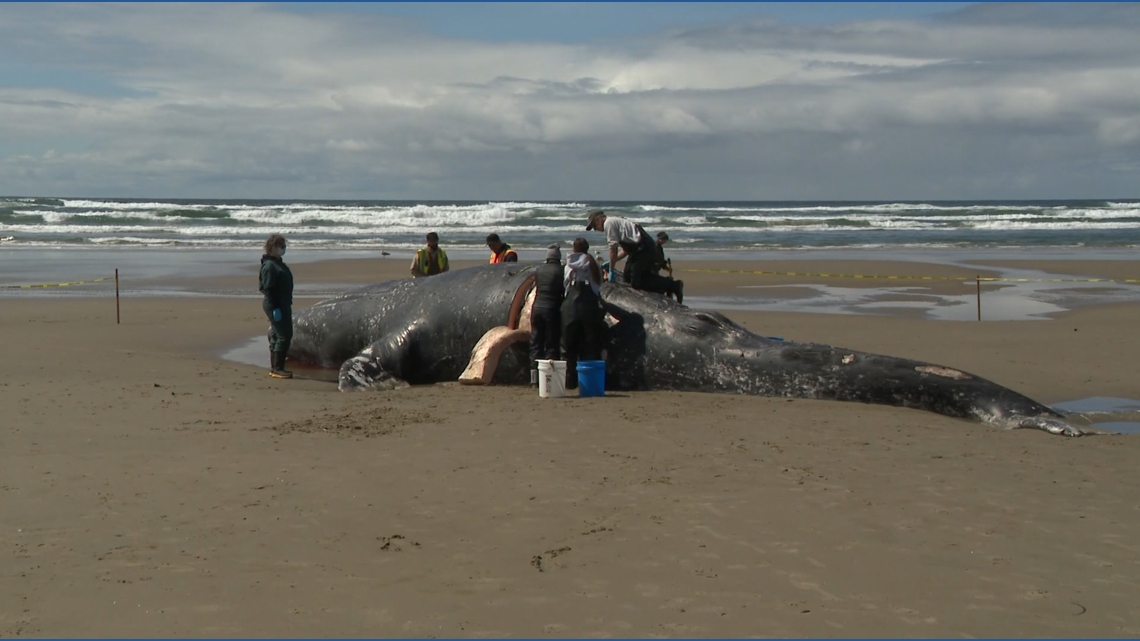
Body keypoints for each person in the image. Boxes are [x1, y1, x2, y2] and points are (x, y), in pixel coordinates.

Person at [585, 209, 682, 303]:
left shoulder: (608, 224)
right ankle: (663, 286)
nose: (595, 229)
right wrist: (612, 261)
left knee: (637, 282)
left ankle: (673, 285)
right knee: (627, 277)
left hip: (645, 249)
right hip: (637, 250)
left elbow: (613, 249)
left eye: (594, 226)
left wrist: (611, 269)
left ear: (599, 220)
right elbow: (625, 250)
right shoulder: (616, 222)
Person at [562, 237, 606, 389]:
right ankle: (589, 380)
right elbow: (598, 285)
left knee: (569, 346)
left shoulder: (569, 264)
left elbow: (566, 284)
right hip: (589, 307)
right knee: (591, 343)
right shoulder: (593, 264)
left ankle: (570, 380)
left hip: (571, 307)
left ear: (574, 249)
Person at [259, 233, 294, 379]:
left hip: (283, 302)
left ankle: (274, 367)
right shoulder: (269, 266)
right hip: (276, 303)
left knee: (277, 334)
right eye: (281, 246)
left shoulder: (278, 263)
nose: (283, 249)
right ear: (273, 248)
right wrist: (275, 308)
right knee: (284, 335)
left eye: (284, 246)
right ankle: (278, 368)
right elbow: (268, 288)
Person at [529, 245, 565, 387]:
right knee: (551, 344)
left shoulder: (540, 270)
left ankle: (533, 379)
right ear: (558, 258)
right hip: (551, 310)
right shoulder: (561, 271)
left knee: (535, 344)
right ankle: (549, 379)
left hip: (537, 308)